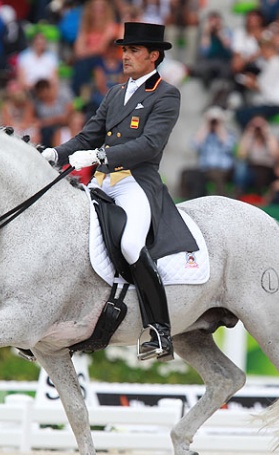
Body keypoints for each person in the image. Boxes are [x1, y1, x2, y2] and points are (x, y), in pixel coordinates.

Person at [41, 22, 199, 361]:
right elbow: (88, 136)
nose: (125, 56)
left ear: (153, 56)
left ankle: (159, 330)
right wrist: (55, 153)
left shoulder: (166, 94)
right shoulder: (115, 93)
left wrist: (102, 155)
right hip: (102, 181)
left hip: (135, 182)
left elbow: (150, 144)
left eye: (133, 51)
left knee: (130, 243)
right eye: (124, 50)